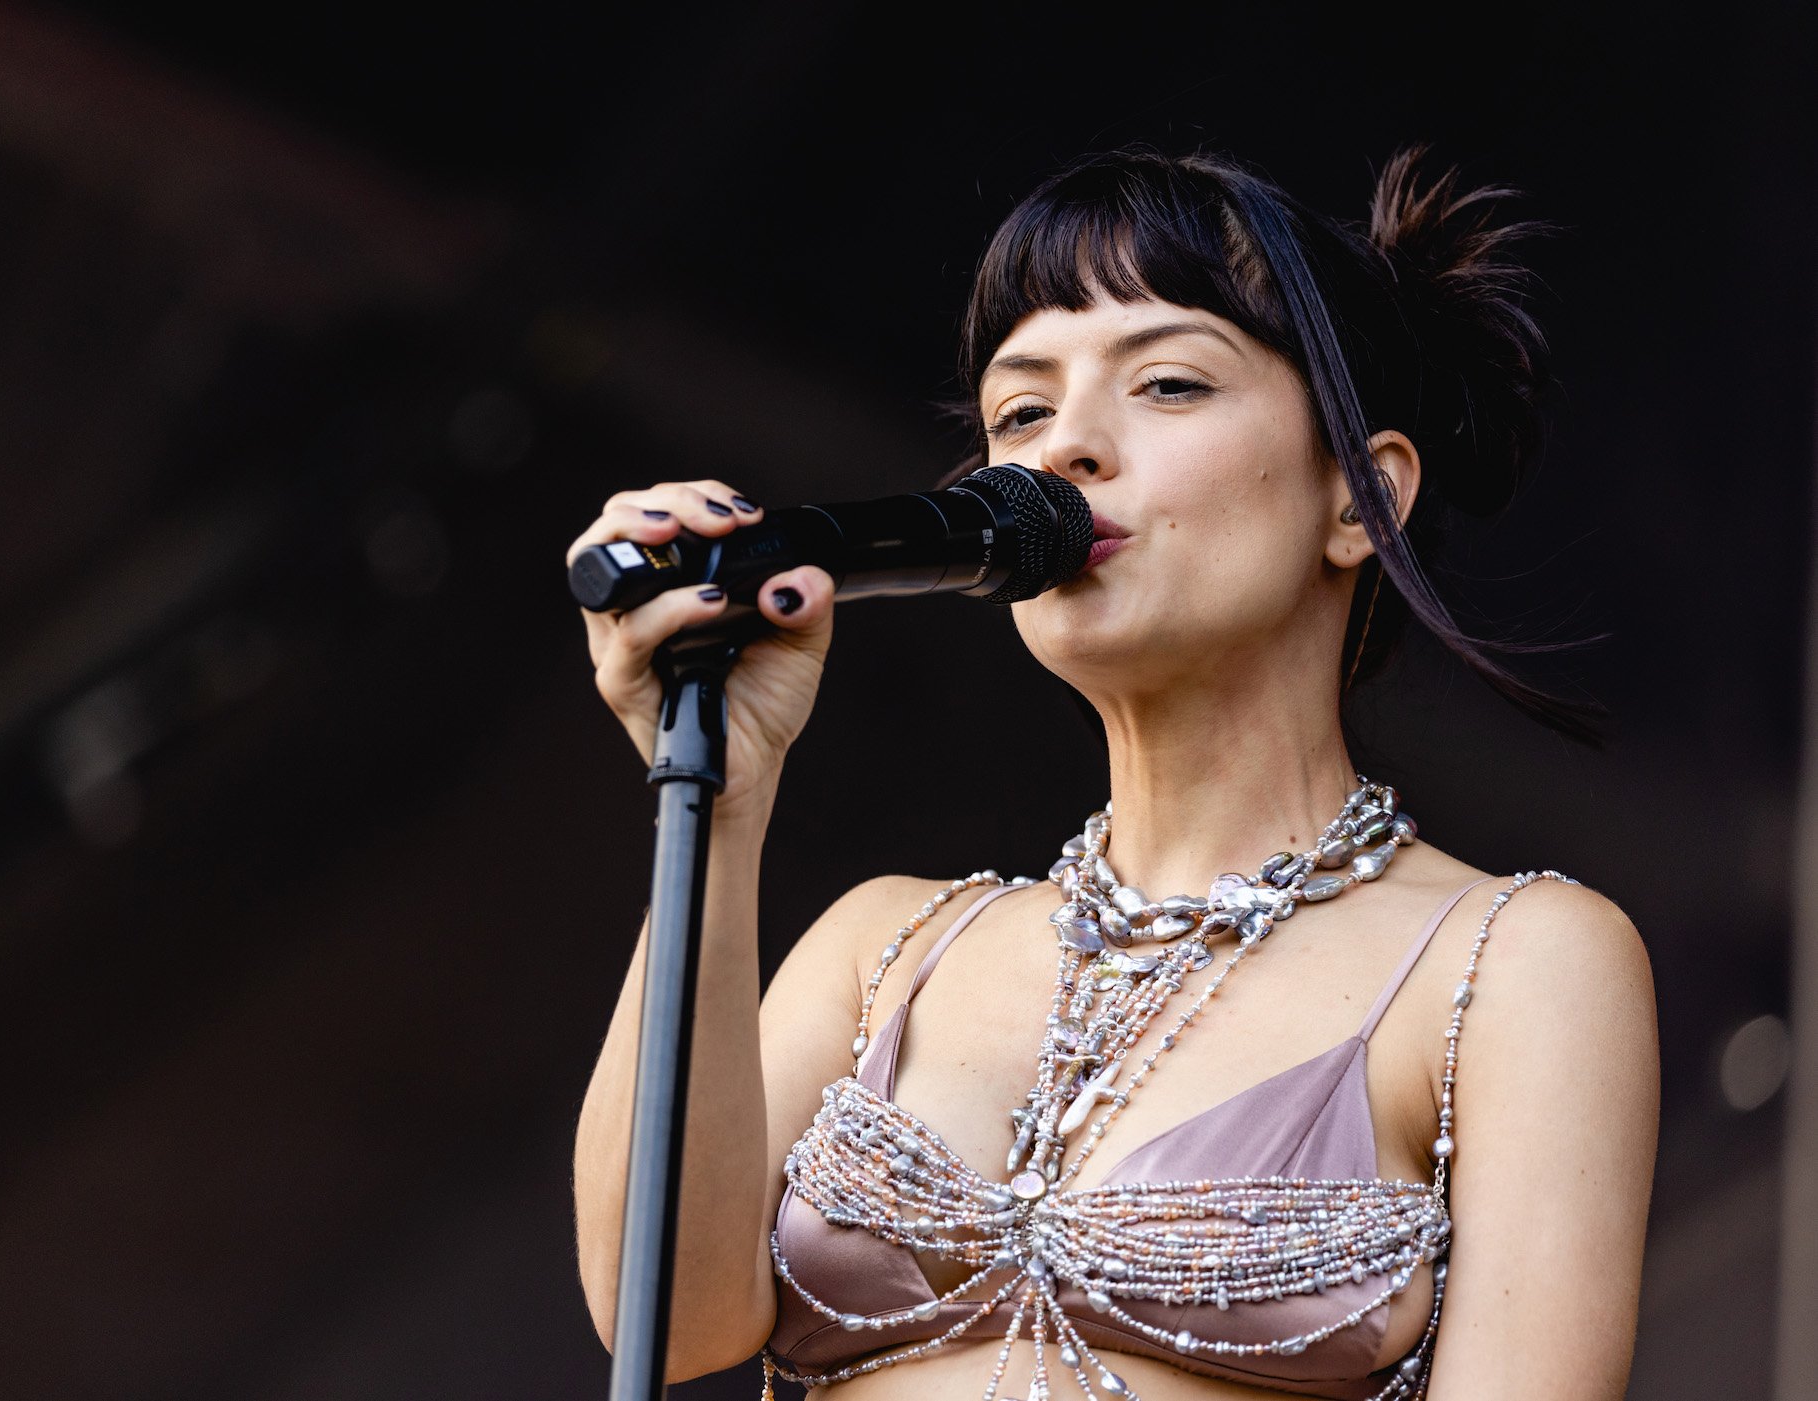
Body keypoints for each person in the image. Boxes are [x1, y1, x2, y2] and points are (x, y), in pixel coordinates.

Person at [567, 144, 1658, 1400]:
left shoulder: (1515, 960)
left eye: (1171, 384)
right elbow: (665, 1314)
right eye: (1020, 413)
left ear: (1360, 497)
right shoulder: (886, 947)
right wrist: (726, 791)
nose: (1067, 448)